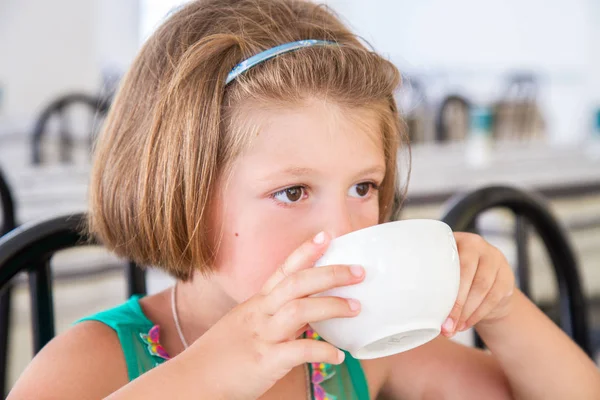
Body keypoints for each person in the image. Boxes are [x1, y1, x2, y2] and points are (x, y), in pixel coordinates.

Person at [9, 0, 600, 399]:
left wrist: (502, 308)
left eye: (363, 188)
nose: (342, 230)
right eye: (293, 192)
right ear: (179, 192)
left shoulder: (350, 352)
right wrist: (211, 371)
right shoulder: (93, 362)